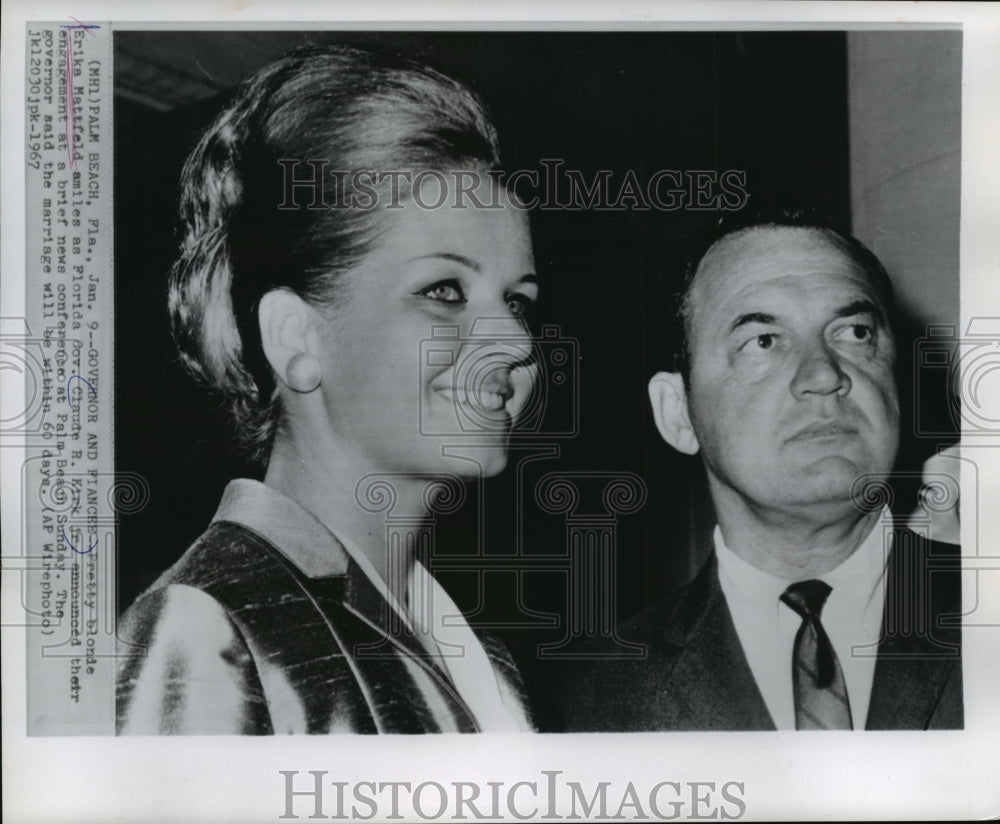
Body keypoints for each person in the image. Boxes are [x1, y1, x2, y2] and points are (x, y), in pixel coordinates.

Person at [116, 44, 539, 734]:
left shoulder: (474, 653)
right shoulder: (209, 628)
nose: (516, 343)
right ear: (297, 339)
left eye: (518, 301)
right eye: (445, 291)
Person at [561, 208, 962, 731]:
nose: (823, 375)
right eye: (764, 342)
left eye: (856, 333)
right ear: (677, 413)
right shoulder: (586, 700)